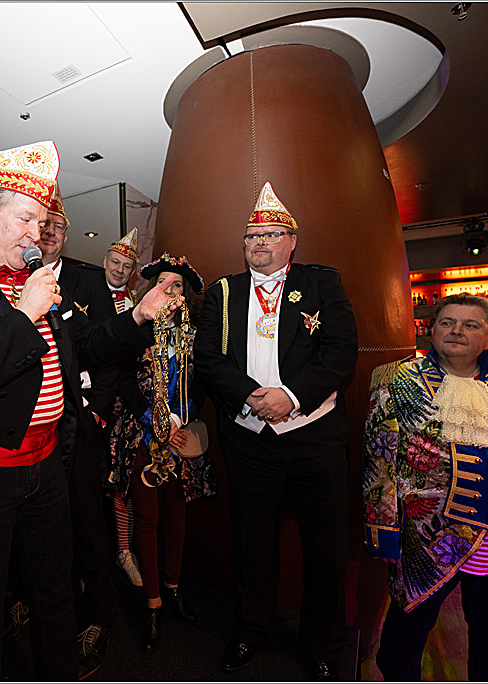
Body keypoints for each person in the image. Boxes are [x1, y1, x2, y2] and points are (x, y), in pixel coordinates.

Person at [0, 139, 182, 680]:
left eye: (43, 223)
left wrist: (139, 316)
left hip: (49, 464)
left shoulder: (41, 284)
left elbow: (89, 345)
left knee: (55, 592)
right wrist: (23, 314)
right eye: (25, 219)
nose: (36, 234)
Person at [194, 181, 358, 679]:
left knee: (325, 545)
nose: (259, 243)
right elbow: (208, 358)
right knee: (252, 541)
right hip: (248, 438)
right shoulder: (222, 291)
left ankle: (324, 643)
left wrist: (291, 396)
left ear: (291, 242)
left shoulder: (322, 283)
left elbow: (340, 351)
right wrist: (250, 395)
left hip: (315, 436)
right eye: (251, 236)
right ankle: (250, 630)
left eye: (270, 235)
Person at [363, 293, 488, 681]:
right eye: (447, 323)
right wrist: (383, 530)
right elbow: (379, 459)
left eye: (470, 325)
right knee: (405, 637)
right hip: (427, 537)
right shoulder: (396, 379)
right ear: (432, 329)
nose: (456, 331)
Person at [109, 253, 216, 653]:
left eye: (177, 285)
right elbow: (122, 380)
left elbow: (204, 383)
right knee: (148, 518)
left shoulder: (196, 336)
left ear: (186, 295)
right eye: (161, 283)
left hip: (180, 435)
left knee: (176, 514)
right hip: (141, 436)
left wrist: (178, 418)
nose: (169, 291)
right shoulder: (136, 327)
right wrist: (152, 419)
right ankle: (152, 603)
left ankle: (173, 588)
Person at [38, 184, 120, 679]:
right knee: (43, 524)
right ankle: (46, 608)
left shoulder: (88, 282)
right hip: (34, 430)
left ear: (66, 235)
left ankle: (99, 616)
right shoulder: (12, 279)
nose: (49, 232)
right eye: (42, 224)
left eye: (57, 226)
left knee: (89, 521)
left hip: (81, 424)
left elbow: (109, 351)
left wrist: (97, 414)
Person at [102, 228, 145, 588]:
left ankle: (124, 551)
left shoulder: (137, 305)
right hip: (94, 406)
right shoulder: (87, 297)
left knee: (124, 484)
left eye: (126, 265)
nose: (119, 269)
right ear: (105, 262)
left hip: (126, 409)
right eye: (114, 262)